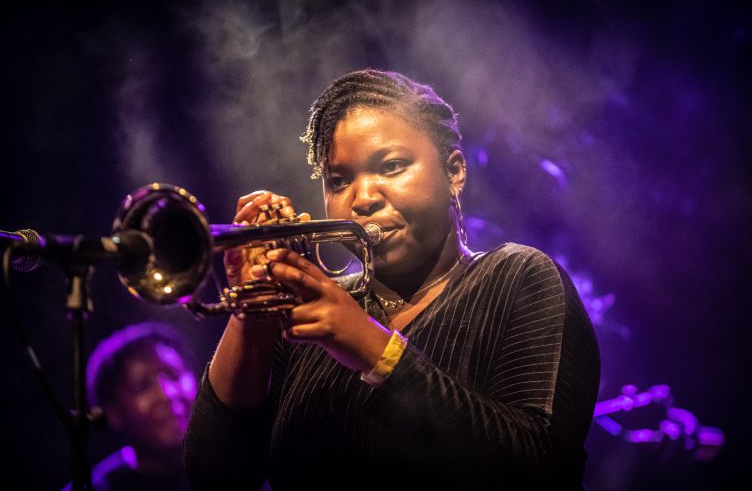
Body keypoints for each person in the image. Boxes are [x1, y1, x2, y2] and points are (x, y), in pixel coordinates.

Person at [184, 69, 601, 489]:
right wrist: (252, 315)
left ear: (454, 172)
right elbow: (214, 478)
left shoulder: (518, 277)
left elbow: (542, 467)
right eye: (339, 181)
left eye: (391, 166)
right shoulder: (311, 315)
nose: (363, 198)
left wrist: (372, 349)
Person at [64, 322, 197, 491]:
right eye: (144, 386)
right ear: (113, 413)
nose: (167, 394)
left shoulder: (233, 464)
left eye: (174, 375)